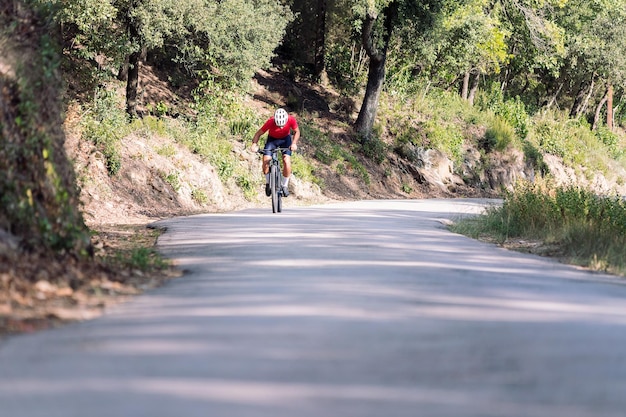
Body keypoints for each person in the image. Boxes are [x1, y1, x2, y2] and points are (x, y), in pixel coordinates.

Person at [250, 108, 300, 197]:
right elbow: (258, 133)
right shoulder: (270, 121)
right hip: (272, 140)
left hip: (285, 140)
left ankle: (284, 185)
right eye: (278, 125)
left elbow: (297, 131)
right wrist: (254, 144)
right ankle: (269, 183)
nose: (280, 127)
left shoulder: (291, 119)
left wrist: (294, 143)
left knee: (286, 161)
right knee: (265, 160)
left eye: (282, 125)